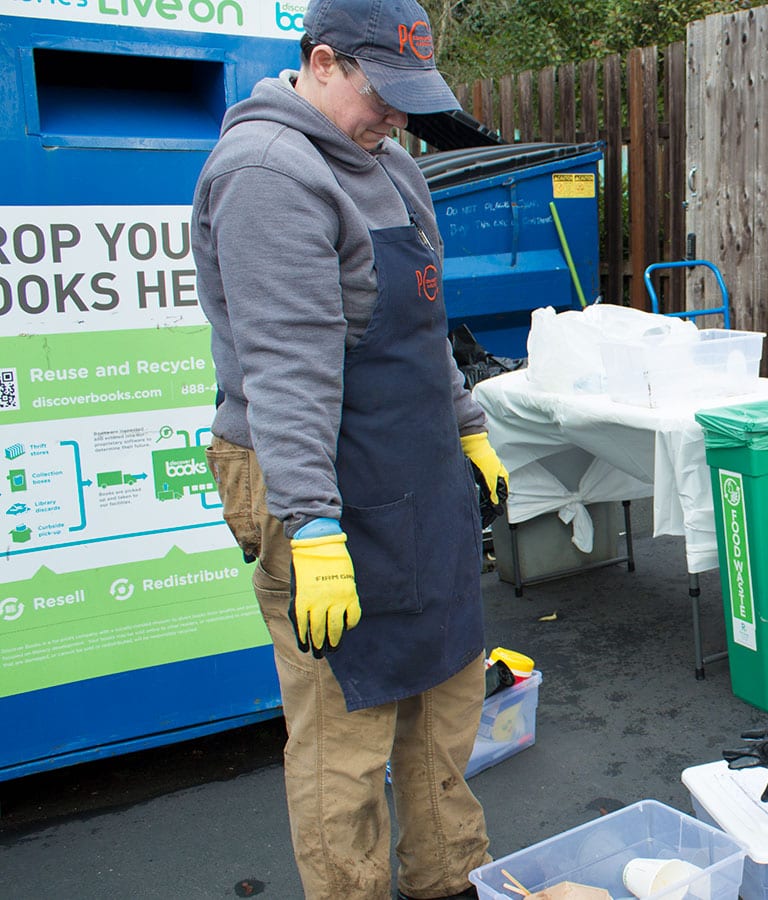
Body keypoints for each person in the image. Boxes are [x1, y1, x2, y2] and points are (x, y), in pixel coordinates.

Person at [192, 0, 510, 896]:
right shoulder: (267, 170)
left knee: (445, 692)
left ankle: (451, 877)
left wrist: (469, 430)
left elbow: (426, 326)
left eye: (412, 100)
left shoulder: (395, 168)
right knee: (346, 728)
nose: (397, 118)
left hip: (415, 464)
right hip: (312, 473)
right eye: (385, 95)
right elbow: (288, 367)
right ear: (321, 61)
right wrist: (312, 526)